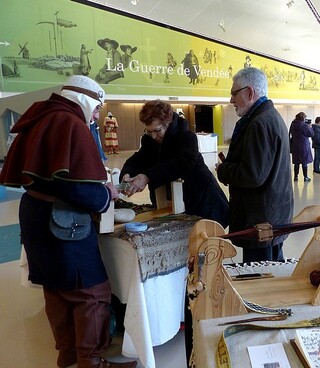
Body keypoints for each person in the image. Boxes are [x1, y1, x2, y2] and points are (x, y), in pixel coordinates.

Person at [0, 75, 137, 368]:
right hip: (62, 220)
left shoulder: (42, 115)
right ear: (85, 98)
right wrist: (105, 193)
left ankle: (68, 354)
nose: (98, 114)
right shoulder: (69, 123)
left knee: (56, 287)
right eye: (98, 107)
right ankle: (92, 361)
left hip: (35, 213)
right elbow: (71, 186)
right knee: (91, 292)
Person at [216, 67, 293, 263]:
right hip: (271, 216)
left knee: (260, 278)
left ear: (249, 92)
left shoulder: (259, 123)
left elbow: (252, 175)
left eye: (234, 93)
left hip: (261, 221)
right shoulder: (269, 117)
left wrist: (223, 170)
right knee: (273, 272)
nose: (231, 100)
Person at [119, 99, 229, 227]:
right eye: (149, 131)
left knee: (204, 240)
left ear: (169, 123)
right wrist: (127, 174)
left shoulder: (187, 137)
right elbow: (139, 159)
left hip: (200, 199)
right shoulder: (149, 140)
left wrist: (148, 176)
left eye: (157, 130)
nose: (153, 136)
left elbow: (182, 164)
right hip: (168, 203)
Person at [290, 111, 314, 181]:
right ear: (303, 118)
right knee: (304, 162)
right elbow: (311, 134)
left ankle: (295, 177)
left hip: (295, 146)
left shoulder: (293, 125)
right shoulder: (305, 125)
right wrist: (310, 127)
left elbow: (291, 133)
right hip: (304, 146)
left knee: (296, 162)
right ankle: (305, 177)